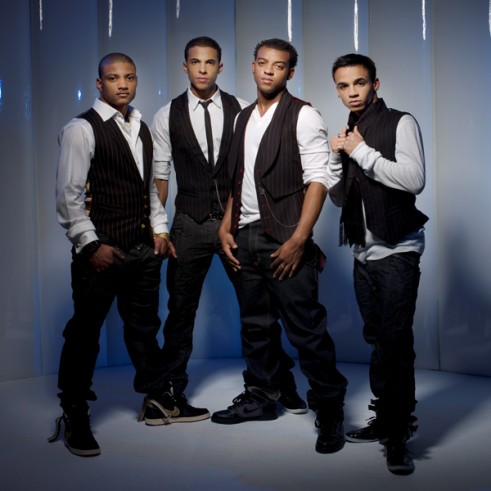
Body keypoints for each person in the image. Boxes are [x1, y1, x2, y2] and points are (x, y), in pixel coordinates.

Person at [144, 36, 307, 426]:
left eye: (210, 62)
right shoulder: (166, 115)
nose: (202, 69)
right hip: (188, 224)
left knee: (260, 308)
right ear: (185, 66)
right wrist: (159, 228)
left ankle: (276, 383)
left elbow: (253, 171)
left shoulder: (243, 110)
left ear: (221, 67)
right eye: (195, 62)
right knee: (180, 311)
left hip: (235, 224)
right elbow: (160, 176)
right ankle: (168, 394)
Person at [211, 38, 348, 455]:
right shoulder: (242, 117)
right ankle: (262, 396)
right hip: (245, 236)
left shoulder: (304, 115)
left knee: (306, 330)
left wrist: (298, 241)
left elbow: (319, 179)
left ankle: (330, 411)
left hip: (285, 238)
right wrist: (226, 225)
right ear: (253, 67)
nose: (269, 70)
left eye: (279, 65)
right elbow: (239, 177)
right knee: (255, 326)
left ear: (290, 72)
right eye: (263, 63)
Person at [49, 53, 176, 457]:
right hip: (102, 249)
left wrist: (160, 230)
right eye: (113, 77)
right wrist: (91, 246)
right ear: (99, 83)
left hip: (142, 249)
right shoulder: (81, 129)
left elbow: (147, 190)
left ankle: (156, 399)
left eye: (130, 77)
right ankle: (74, 412)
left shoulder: (141, 126)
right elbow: (68, 197)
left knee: (144, 329)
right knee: (85, 333)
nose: (122, 84)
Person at [327, 53, 428, 475]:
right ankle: (386, 418)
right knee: (378, 339)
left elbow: (414, 180)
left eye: (359, 83)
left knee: (395, 340)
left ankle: (398, 435)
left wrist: (362, 152)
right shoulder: (349, 132)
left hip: (398, 250)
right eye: (343, 86)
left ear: (375, 84)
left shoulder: (400, 122)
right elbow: (339, 197)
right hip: (363, 254)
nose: (352, 92)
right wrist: (337, 156)